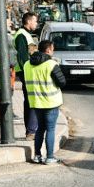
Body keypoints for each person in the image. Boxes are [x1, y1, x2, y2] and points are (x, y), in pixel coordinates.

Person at [23, 37, 64, 165]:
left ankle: (37, 155)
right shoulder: (51, 64)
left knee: (40, 128)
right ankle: (50, 157)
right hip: (51, 102)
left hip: (36, 102)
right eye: (52, 50)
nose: (53, 52)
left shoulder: (27, 64)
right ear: (48, 50)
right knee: (50, 129)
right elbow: (62, 82)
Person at [15, 11, 38, 128]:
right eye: (35, 21)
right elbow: (22, 57)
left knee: (30, 101)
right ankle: (31, 130)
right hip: (26, 73)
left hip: (28, 72)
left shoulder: (26, 34)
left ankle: (31, 129)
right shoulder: (21, 35)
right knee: (30, 101)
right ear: (29, 21)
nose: (36, 23)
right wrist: (28, 74)